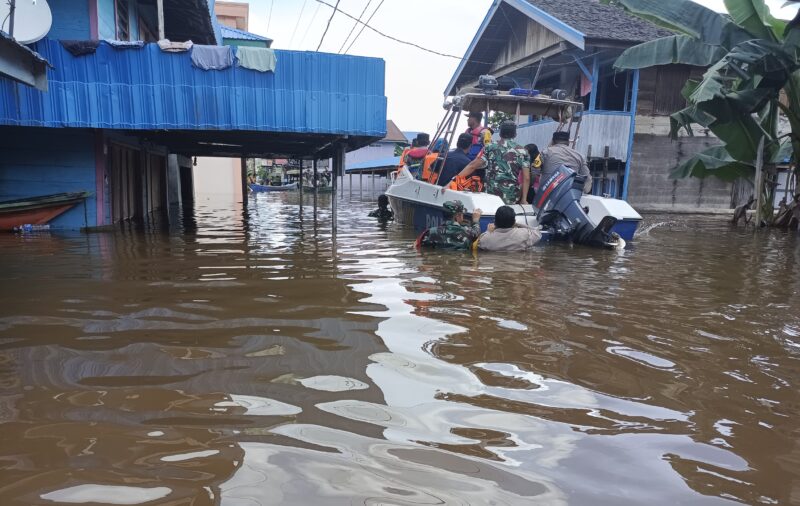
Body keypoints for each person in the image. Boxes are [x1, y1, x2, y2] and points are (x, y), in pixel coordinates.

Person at [457, 121, 531, 205]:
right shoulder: (523, 151)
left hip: (491, 194)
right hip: (511, 196)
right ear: (515, 135)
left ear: (500, 134)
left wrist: (454, 180)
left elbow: (472, 166)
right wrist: (524, 199)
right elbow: (526, 178)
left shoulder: (489, 147)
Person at [417, 200, 482, 250]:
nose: (463, 217)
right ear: (457, 216)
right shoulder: (467, 232)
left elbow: (416, 246)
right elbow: (476, 232)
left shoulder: (430, 233)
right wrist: (476, 220)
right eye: (462, 214)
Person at [475, 205, 541, 251]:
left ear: (495, 221)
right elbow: (538, 233)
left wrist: (488, 231)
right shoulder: (524, 234)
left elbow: (477, 243)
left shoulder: (486, 238)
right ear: (514, 222)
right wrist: (518, 224)